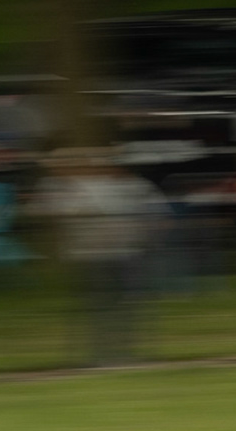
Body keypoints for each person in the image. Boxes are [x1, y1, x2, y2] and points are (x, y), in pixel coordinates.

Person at [39, 147, 167, 368]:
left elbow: (158, 213)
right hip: (91, 255)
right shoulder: (77, 187)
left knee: (126, 304)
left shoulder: (135, 186)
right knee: (100, 305)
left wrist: (146, 237)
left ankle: (122, 352)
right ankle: (102, 353)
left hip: (125, 253)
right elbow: (57, 211)